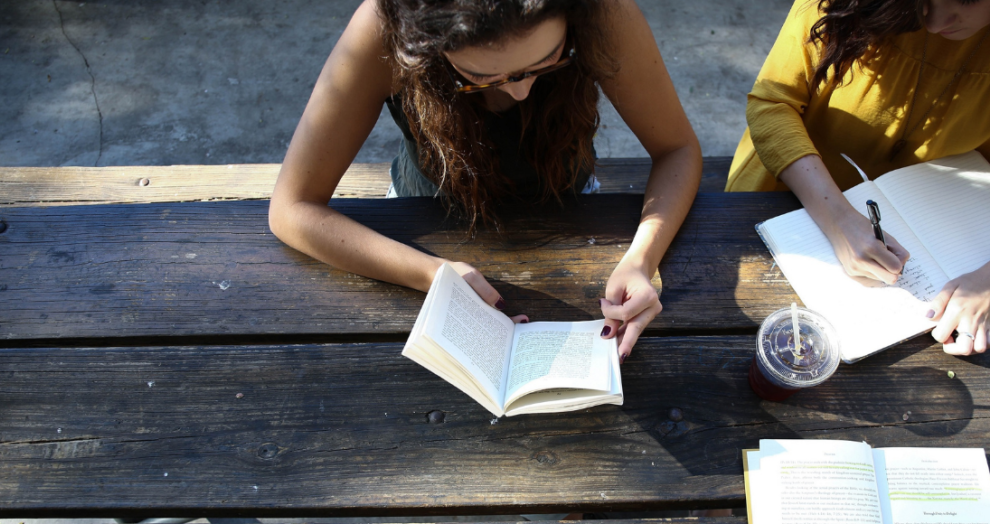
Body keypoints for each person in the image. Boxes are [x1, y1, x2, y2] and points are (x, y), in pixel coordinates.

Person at [269, 0, 701, 361]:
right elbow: (292, 208)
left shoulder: (602, 12)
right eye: (481, 78)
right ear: (424, 44)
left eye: (547, 61)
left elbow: (677, 149)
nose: (520, 92)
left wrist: (642, 259)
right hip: (421, 220)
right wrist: (432, 274)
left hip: (570, 206)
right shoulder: (385, 27)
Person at [728, 0, 990, 356]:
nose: (936, 22)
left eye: (967, 1)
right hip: (787, 190)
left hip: (956, 234)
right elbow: (774, 102)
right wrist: (838, 218)